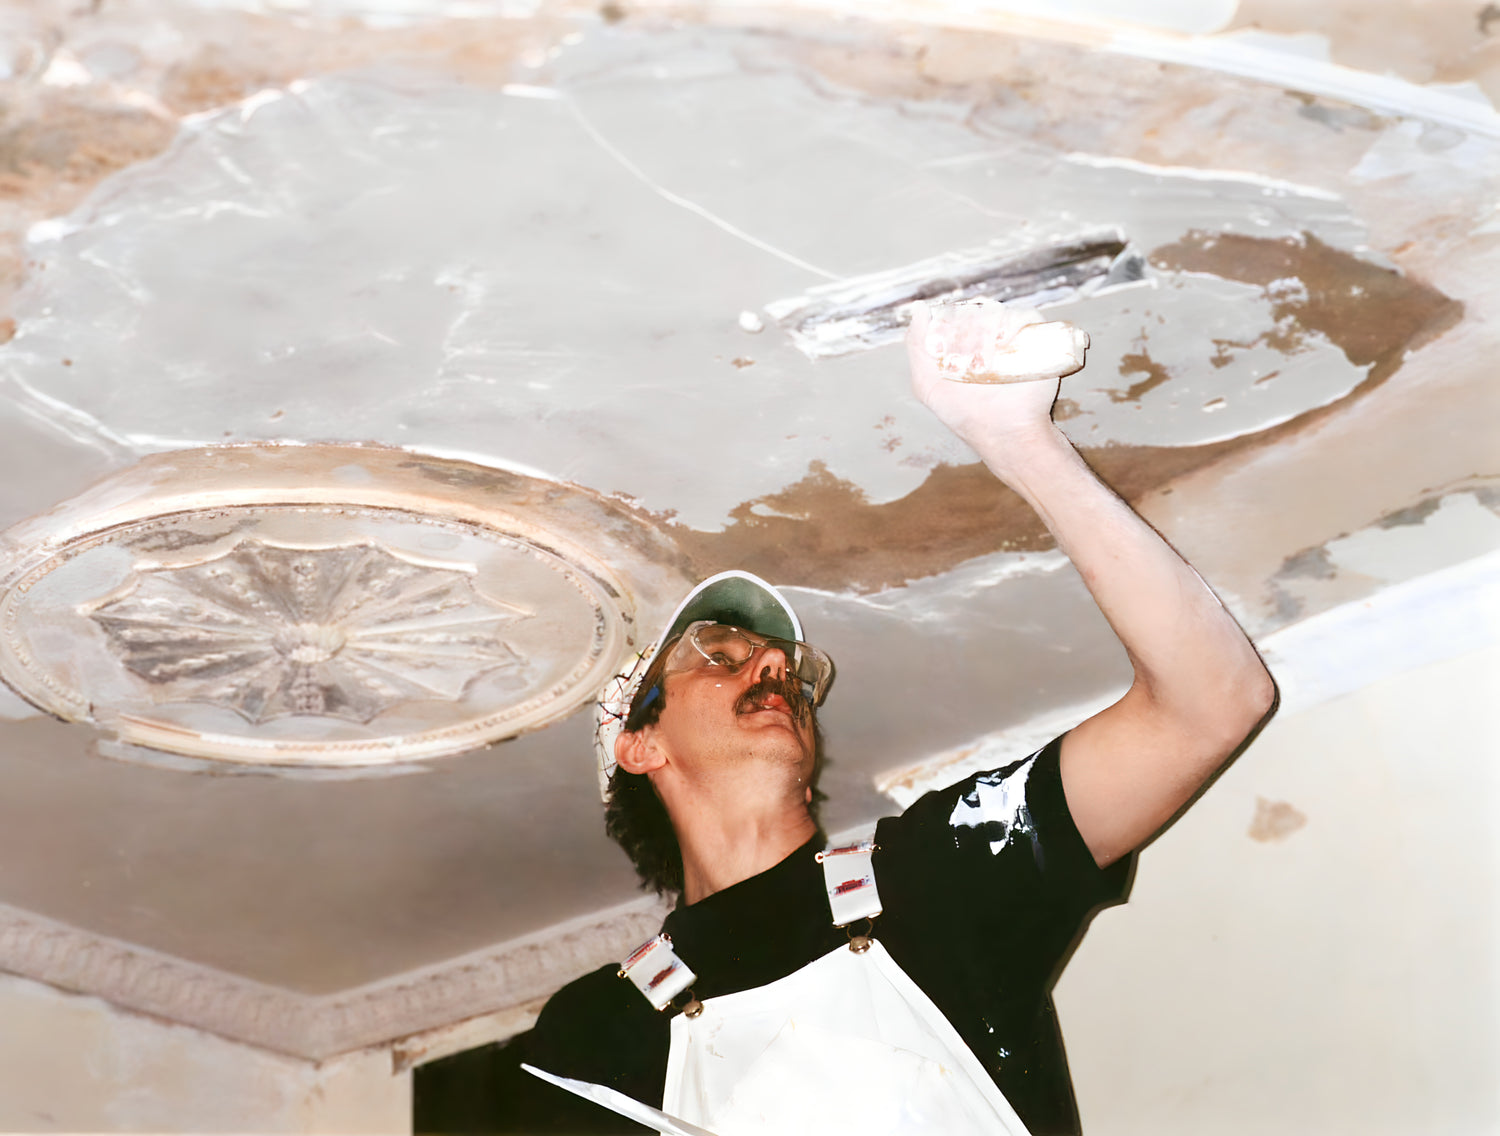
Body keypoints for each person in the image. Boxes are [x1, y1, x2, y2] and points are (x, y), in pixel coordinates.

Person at [506, 303, 1276, 1134]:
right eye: (720, 654)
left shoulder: (945, 872)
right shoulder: (597, 1036)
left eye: (791, 672)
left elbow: (1216, 700)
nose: (773, 667)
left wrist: (1016, 437)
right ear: (639, 743)